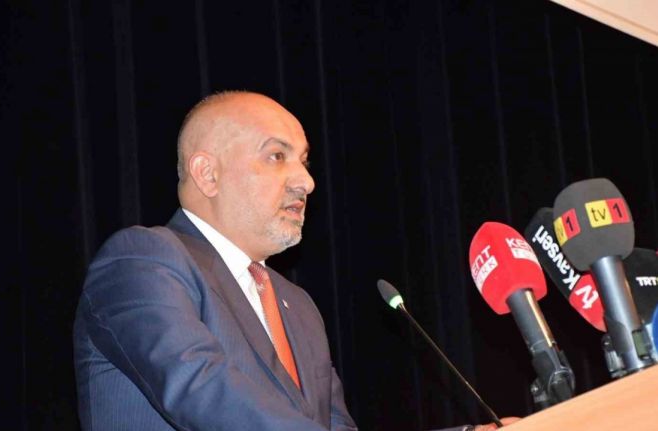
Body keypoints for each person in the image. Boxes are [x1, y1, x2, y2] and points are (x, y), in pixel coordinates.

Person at [73, 91, 514, 430]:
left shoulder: (297, 307)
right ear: (207, 173)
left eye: (303, 161)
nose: (306, 181)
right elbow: (202, 391)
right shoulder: (143, 259)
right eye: (276, 156)